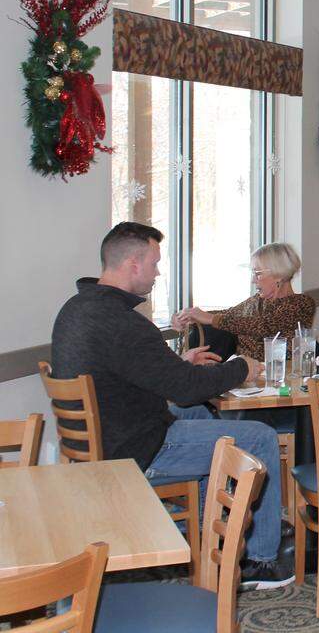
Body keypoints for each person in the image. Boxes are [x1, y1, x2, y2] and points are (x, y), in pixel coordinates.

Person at [49, 222, 293, 589]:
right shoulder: (123, 323)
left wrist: (182, 365)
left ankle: (209, 524)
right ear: (133, 263)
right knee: (258, 438)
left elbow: (142, 373)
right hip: (133, 449)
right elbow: (185, 390)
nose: (158, 273)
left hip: (101, 437)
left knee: (198, 415)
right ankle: (261, 561)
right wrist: (240, 367)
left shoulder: (76, 310)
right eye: (154, 263)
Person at [173, 243, 315, 362]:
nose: (253, 280)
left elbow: (263, 326)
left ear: (278, 274)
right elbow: (229, 315)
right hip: (245, 378)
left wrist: (209, 318)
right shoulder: (256, 301)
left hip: (280, 378)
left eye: (258, 273)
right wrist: (189, 316)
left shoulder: (302, 304)